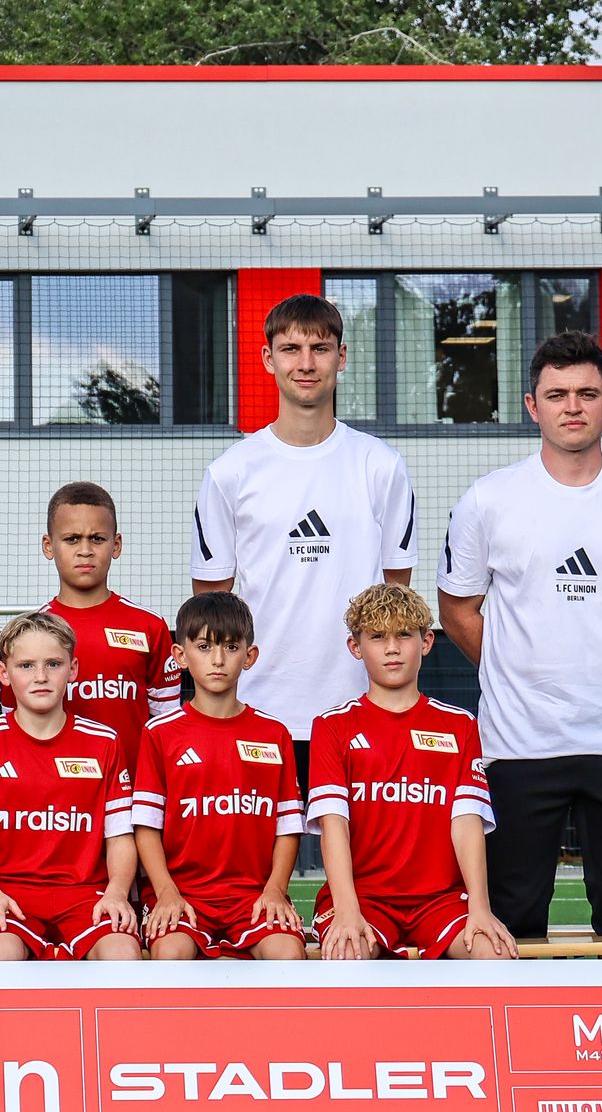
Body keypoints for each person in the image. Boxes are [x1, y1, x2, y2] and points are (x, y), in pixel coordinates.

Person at [439, 331, 602, 941]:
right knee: (509, 924)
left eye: (587, 393)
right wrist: (517, 667)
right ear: (533, 406)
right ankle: (509, 1038)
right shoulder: (490, 499)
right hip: (519, 744)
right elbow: (456, 611)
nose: (572, 406)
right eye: (557, 394)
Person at [189, 293, 418, 754]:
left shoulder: (381, 466)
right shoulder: (230, 472)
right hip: (258, 710)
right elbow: (212, 604)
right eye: (291, 349)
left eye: (321, 348)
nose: (307, 363)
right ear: (268, 360)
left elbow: (395, 598)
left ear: (342, 356)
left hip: (361, 712)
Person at [308, 585, 513, 961]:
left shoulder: (459, 725)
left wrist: (480, 908)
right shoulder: (332, 726)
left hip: (440, 900)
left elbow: (466, 821)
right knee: (349, 952)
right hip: (364, 897)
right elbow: (334, 825)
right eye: (377, 637)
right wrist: (348, 910)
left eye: (404, 635)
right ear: (356, 647)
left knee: (492, 954)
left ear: (427, 642)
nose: (391, 648)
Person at [0, 612, 142, 962]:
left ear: (73, 670)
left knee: (123, 953)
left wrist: (116, 893)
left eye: (53, 664)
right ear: (4, 674)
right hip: (7, 894)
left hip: (85, 894)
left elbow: (119, 837)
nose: (40, 677)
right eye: (26, 666)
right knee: (1, 954)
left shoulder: (104, 742)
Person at [129, 593, 307, 962]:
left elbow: (287, 825)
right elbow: (146, 827)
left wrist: (275, 889)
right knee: (171, 952)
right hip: (183, 893)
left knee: (287, 954)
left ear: (250, 656)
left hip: (252, 896)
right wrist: (165, 892)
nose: (218, 659)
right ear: (180, 655)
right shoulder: (159, 733)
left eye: (230, 646)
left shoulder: (273, 734)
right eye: (204, 646)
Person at [40, 482, 180, 751]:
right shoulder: (32, 633)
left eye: (97, 538)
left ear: (116, 545)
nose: (85, 550)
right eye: (72, 539)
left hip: (134, 789)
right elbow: (17, 724)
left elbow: (168, 727)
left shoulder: (148, 627)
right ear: (49, 546)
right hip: (56, 790)